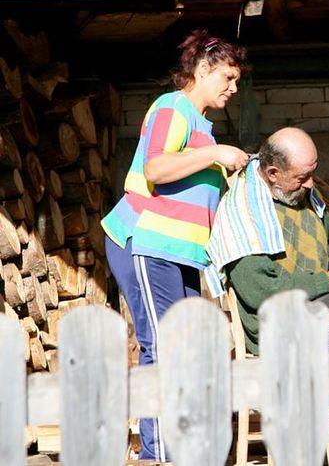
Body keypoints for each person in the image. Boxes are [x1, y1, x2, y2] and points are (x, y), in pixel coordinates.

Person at [102, 29, 250, 461]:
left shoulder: (202, 126)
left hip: (179, 252)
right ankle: (158, 454)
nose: (233, 88)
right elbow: (157, 168)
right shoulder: (173, 108)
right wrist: (216, 155)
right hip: (147, 242)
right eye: (228, 77)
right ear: (203, 69)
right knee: (162, 345)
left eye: (236, 80)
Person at [206, 126, 329, 355]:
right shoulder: (243, 214)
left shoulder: (301, 193)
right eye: (302, 177)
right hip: (280, 323)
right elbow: (260, 292)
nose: (310, 184)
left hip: (324, 304)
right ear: (273, 173)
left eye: (311, 174)